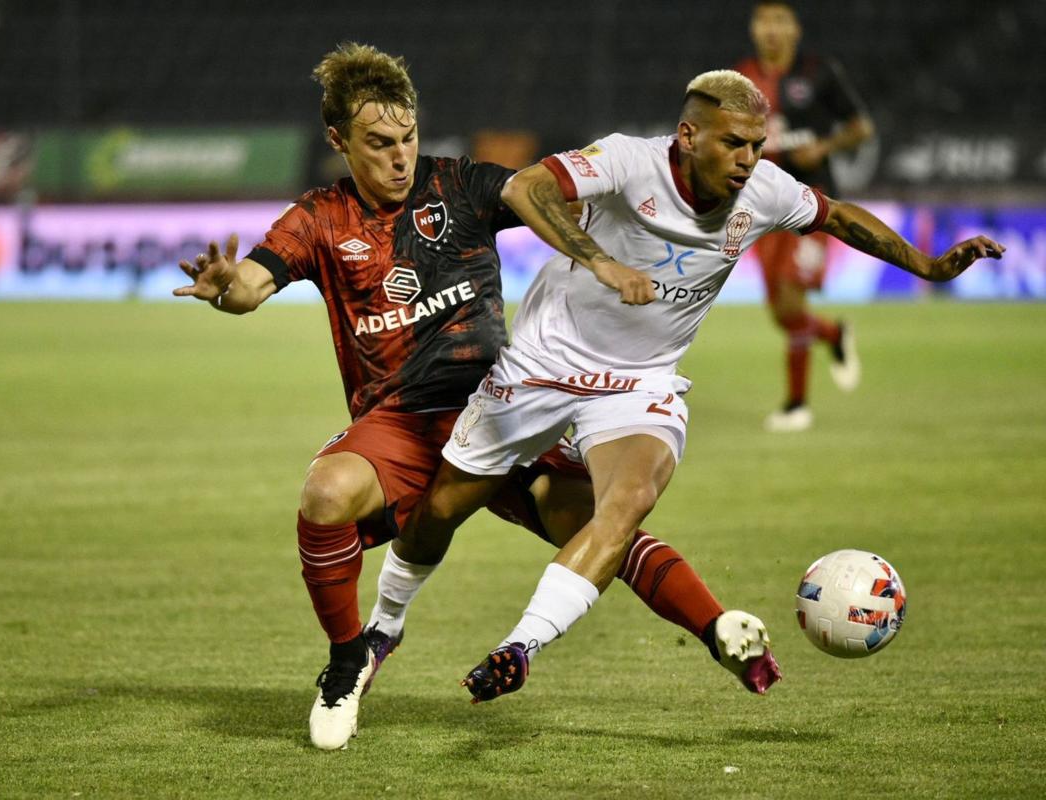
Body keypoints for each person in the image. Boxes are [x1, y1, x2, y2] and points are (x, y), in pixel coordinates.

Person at [173, 44, 744, 750]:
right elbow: (253, 286)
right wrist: (226, 289)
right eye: (379, 143)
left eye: (408, 138)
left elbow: (534, 193)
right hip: (403, 423)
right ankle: (350, 655)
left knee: (599, 527)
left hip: (507, 408)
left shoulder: (460, 184)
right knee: (324, 496)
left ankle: (720, 628)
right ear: (338, 141)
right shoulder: (319, 218)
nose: (400, 156)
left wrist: (615, 223)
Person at [374, 69, 1004, 704]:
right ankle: (384, 626)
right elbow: (527, 188)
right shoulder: (627, 160)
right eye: (734, 143)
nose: (749, 160)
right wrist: (602, 262)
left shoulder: (764, 190)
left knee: (625, 504)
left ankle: (520, 647)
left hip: (641, 382)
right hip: (544, 362)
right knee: (441, 510)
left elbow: (836, 216)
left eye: (757, 145)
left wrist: (926, 264)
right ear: (688, 136)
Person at [737, 0, 876, 432]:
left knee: (791, 300)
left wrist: (822, 147)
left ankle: (797, 405)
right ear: (754, 28)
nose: (772, 29)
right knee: (781, 313)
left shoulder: (818, 72)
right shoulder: (740, 78)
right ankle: (835, 335)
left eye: (780, 20)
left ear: (795, 29)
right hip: (762, 206)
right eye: (764, 21)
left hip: (812, 205)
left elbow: (860, 127)